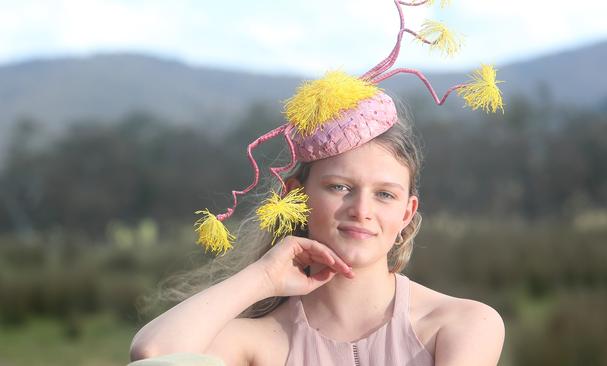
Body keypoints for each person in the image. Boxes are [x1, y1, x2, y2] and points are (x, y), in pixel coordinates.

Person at [130, 1, 505, 365]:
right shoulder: (261, 341)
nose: (361, 211)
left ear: (407, 212)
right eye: (340, 187)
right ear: (297, 196)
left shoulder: (462, 325)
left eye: (385, 195)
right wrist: (263, 277)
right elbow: (155, 355)